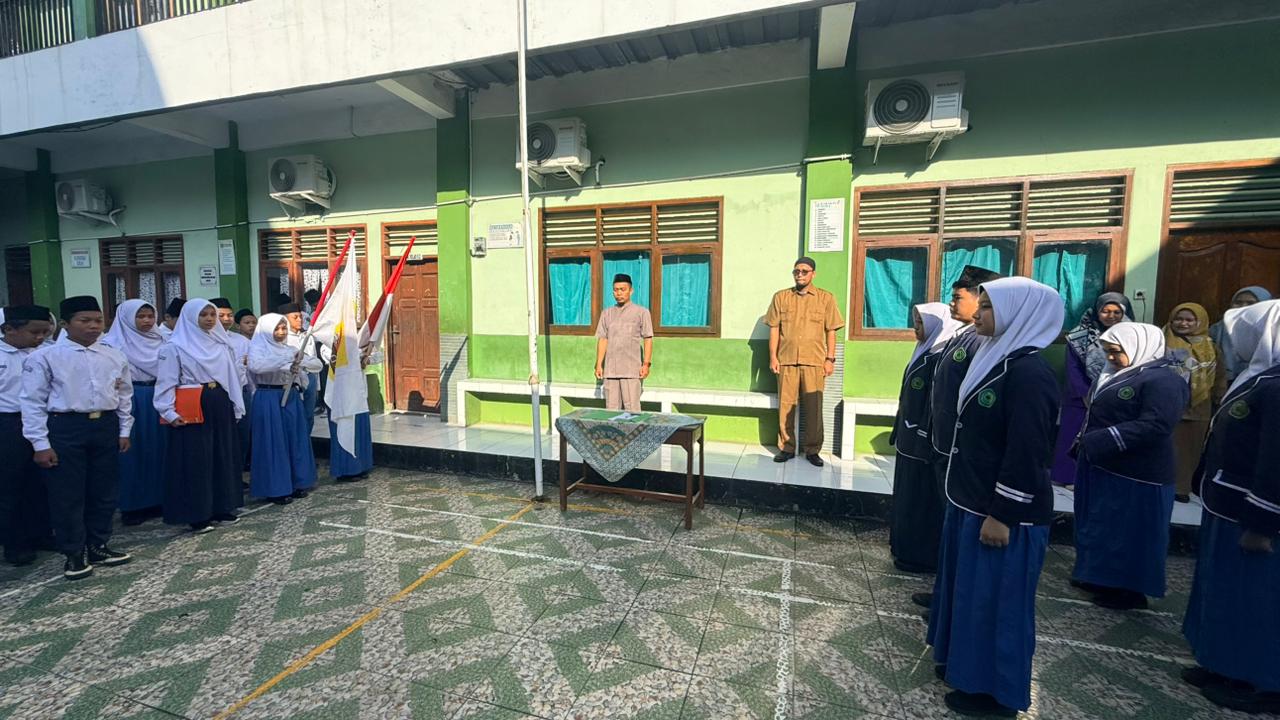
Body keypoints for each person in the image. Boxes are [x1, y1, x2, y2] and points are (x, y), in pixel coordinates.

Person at [927, 277, 1063, 718]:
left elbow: (1028, 451)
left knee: (997, 606)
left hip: (1002, 514)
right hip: (971, 501)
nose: (979, 313)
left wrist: (1003, 513)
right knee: (970, 598)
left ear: (1018, 313)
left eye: (987, 306)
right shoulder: (994, 356)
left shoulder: (1029, 374)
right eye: (981, 305)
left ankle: (995, 696)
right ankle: (964, 670)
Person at [1182, 299, 1280, 714]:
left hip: (1252, 515)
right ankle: (1223, 664)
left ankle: (1263, 683)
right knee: (1227, 592)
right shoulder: (1258, 375)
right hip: (1226, 504)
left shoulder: (1276, 385)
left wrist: (1263, 522)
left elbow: (1275, 460)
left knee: (1259, 599)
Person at [1071, 322, 1188, 610]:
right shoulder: (1117, 373)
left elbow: (1157, 424)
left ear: (1138, 346)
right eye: (1107, 351)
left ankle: (1129, 590)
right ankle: (1099, 577)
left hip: (1138, 472)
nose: (1110, 357)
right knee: (1104, 527)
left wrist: (1103, 439)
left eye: (1116, 351)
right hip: (1106, 464)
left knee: (1132, 533)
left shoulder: (1163, 380)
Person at [21, 296, 134, 580]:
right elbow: (32, 402)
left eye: (98, 320)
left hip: (105, 424)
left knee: (104, 490)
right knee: (68, 493)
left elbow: (124, 395)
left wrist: (124, 431)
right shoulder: (45, 357)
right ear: (65, 324)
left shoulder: (114, 355)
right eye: (85, 321)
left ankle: (98, 544)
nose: (93, 326)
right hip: (65, 426)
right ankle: (73, 552)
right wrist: (40, 444)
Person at [915, 264, 1002, 610]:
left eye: (958, 298)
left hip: (961, 451)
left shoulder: (984, 343)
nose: (952, 303)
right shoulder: (962, 335)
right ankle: (945, 592)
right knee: (949, 525)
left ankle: (953, 599)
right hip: (946, 444)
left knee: (962, 529)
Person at [155, 298, 245, 534]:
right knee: (196, 459)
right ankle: (197, 513)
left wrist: (236, 404)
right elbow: (166, 381)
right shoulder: (174, 347)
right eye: (203, 315)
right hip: (193, 402)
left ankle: (222, 506)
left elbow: (232, 376)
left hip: (220, 400)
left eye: (212, 315)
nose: (209, 319)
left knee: (222, 453)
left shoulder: (221, 344)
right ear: (190, 317)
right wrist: (168, 411)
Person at [889, 303, 963, 574]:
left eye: (921, 323)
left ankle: (919, 555)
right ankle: (902, 546)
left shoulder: (939, 355)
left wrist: (922, 434)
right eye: (915, 322)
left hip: (922, 442)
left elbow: (934, 403)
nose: (916, 328)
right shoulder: (924, 349)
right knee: (906, 497)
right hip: (908, 440)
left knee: (921, 501)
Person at [766, 257, 844, 467]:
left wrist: (830, 359)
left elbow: (831, 331)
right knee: (785, 406)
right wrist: (773, 357)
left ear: (813, 274)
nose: (799, 275)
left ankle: (812, 450)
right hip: (786, 361)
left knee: (814, 408)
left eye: (804, 271)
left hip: (814, 362)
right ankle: (786, 448)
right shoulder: (781, 297)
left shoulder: (826, 298)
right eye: (796, 271)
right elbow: (774, 328)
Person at [1052, 292, 1134, 487]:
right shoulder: (1079, 336)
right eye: (1105, 311)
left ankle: (1092, 477)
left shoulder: (1132, 336)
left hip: (1114, 394)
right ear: (1097, 311)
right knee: (1072, 434)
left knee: (1103, 437)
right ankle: (1066, 476)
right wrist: (1084, 393)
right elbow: (1072, 368)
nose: (1111, 316)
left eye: (1117, 312)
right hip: (1080, 397)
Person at [99, 299, 168, 526]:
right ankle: (132, 504)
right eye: (140, 316)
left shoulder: (163, 340)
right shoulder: (112, 345)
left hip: (160, 396)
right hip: (132, 399)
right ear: (127, 318)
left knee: (159, 448)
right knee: (132, 452)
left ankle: (160, 498)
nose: (147, 321)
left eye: (150, 316)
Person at [0, 305, 54, 566]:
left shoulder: (45, 353)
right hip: (8, 424)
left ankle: (41, 533)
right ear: (9, 329)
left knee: (41, 482)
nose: (40, 337)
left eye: (45, 332)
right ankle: (15, 543)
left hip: (43, 420)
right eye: (34, 332)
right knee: (10, 485)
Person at [249, 313, 320, 504]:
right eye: (276, 329)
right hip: (268, 397)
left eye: (283, 328)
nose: (281, 332)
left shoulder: (290, 349)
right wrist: (286, 363)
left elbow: (317, 364)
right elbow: (257, 367)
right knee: (274, 442)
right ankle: (276, 488)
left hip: (290, 395)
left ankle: (297, 483)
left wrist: (300, 361)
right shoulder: (257, 348)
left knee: (294, 438)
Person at [1163, 303, 1227, 502]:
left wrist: (1220, 398)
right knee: (1165, 448)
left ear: (1200, 322)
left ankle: (1181, 488)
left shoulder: (1211, 347)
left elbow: (1219, 376)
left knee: (1190, 450)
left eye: (1189, 320)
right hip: (1166, 405)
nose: (1183, 323)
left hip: (1199, 407)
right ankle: (1161, 483)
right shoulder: (1161, 341)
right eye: (1178, 319)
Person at [594, 273, 653, 412]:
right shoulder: (606, 313)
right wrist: (599, 364)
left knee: (632, 410)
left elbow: (648, 338)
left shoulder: (641, 312)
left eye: (622, 289)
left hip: (631, 371)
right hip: (611, 371)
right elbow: (603, 339)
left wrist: (646, 364)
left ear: (631, 291)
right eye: (616, 290)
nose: (619, 293)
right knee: (611, 411)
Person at [212, 297, 252, 471]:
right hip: (218, 393)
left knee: (242, 432)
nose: (226, 319)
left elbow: (250, 371)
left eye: (229, 315)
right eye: (221, 315)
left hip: (242, 391)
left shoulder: (242, 341)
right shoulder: (205, 340)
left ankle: (238, 472)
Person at [328, 348, 375, 483]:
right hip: (343, 394)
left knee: (359, 431)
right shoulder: (331, 344)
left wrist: (366, 358)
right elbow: (334, 361)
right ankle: (346, 470)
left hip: (358, 393)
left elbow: (378, 356)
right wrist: (357, 358)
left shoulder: (358, 345)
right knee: (345, 429)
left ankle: (361, 466)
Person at [1210, 286, 1273, 385]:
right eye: (1238, 302)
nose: (1243, 306)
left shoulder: (1270, 329)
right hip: (1223, 381)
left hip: (1259, 381)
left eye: (1251, 303)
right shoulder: (1218, 329)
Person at [280, 301, 320, 434]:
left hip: (310, 376)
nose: (300, 320)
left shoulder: (307, 336)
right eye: (295, 317)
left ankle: (306, 441)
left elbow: (315, 361)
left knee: (309, 415)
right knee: (294, 414)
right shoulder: (283, 338)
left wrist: (317, 386)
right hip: (292, 379)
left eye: (301, 317)